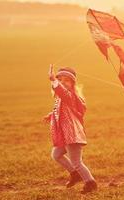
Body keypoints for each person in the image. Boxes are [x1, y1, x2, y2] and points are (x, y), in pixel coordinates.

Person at [43, 64, 97, 194]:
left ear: (73, 83)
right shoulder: (60, 99)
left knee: (77, 162)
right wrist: (51, 116)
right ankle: (75, 174)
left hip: (72, 135)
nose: (63, 82)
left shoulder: (70, 96)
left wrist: (53, 80)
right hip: (64, 135)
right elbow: (61, 111)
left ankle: (90, 183)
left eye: (66, 80)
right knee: (56, 155)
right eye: (60, 79)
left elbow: (62, 92)